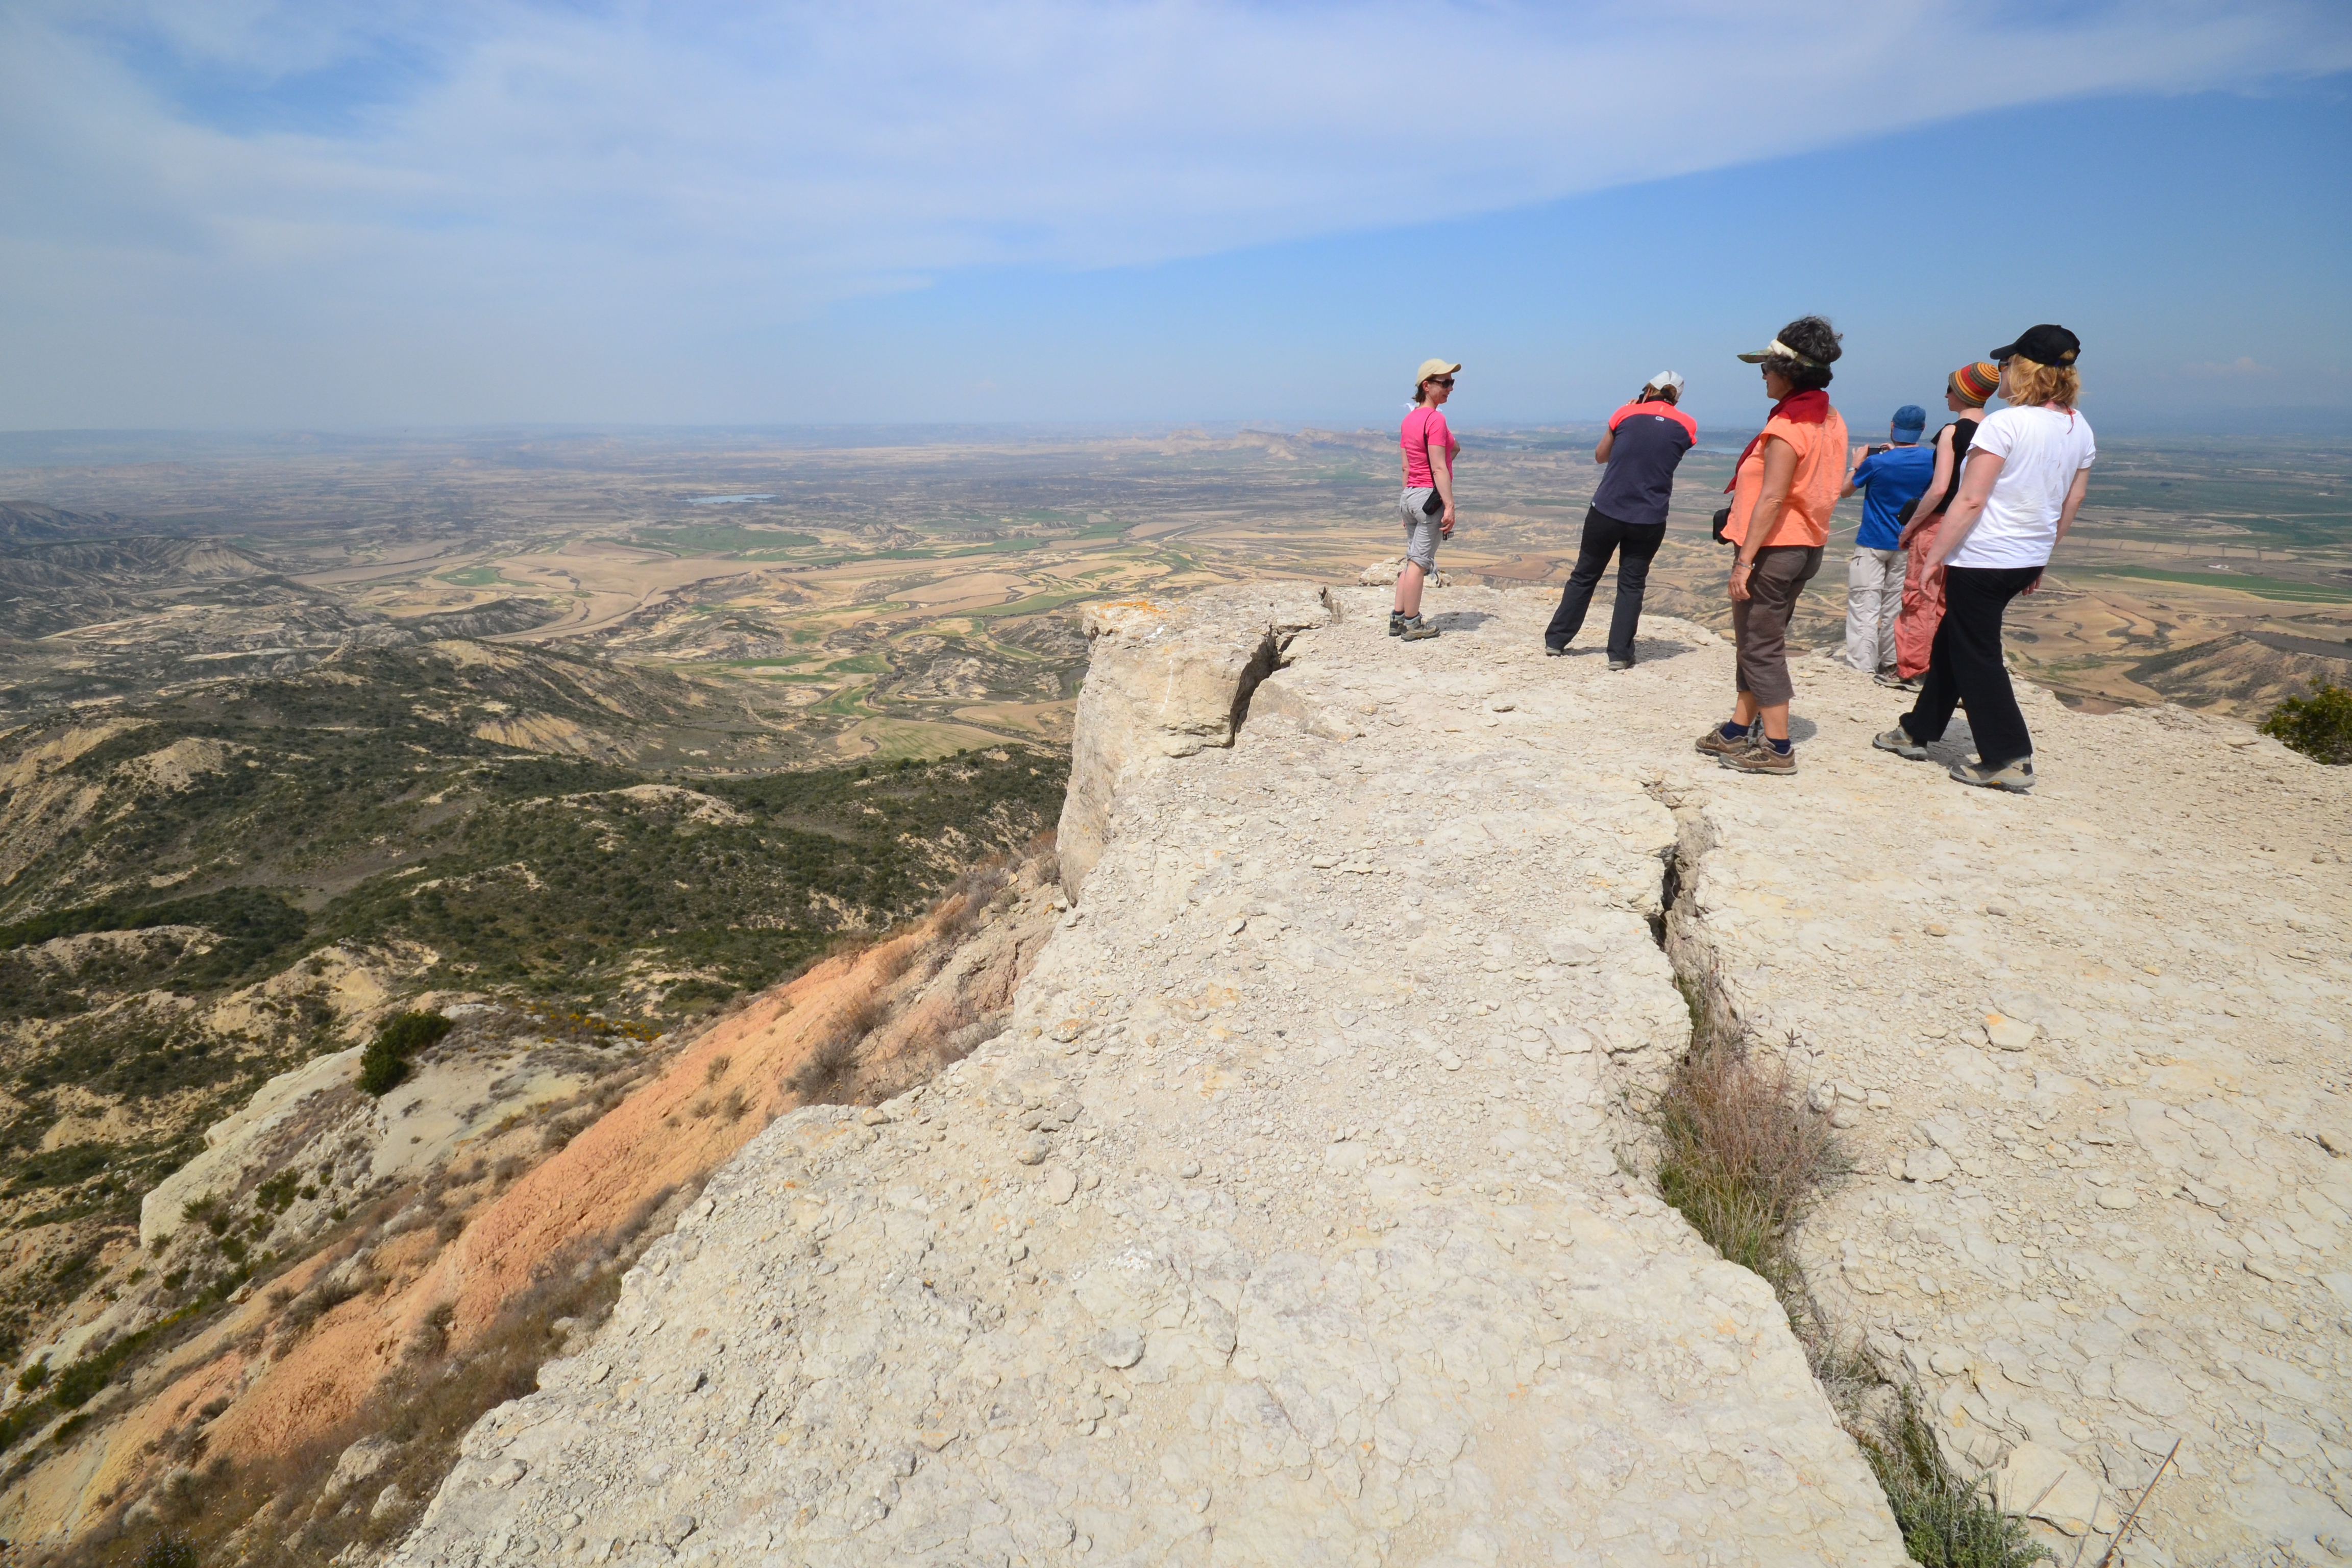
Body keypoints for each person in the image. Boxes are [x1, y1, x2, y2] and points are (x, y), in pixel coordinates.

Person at [1875, 326, 2093, 793]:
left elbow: (1970, 500)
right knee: (1955, 641)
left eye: (2009, 365)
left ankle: (2009, 756)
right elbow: (2072, 500)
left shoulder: (2004, 424)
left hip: (1984, 558)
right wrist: (2041, 556)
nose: (2004, 374)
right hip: (2024, 558)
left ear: (2026, 369)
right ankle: (1917, 732)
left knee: (1977, 654)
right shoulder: (2079, 426)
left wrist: (1935, 557)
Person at [1696, 316, 1849, 776]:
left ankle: (1778, 747)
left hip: (1774, 550)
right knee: (1754, 640)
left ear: (1789, 373)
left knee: (1761, 645)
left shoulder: (1788, 427)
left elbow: (1774, 497)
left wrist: (1744, 562)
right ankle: (1737, 729)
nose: (1762, 375)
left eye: (1766, 368)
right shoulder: (1828, 416)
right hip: (1805, 546)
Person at [1543, 372, 1695, 669]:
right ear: (1676, 397)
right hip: (1649, 518)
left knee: (1585, 575)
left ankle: (1556, 641)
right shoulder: (1688, 425)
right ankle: (1620, 654)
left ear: (1648, 390)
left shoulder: (1625, 413)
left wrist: (1627, 413)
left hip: (1607, 510)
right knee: (1632, 584)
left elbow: (1601, 456)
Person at [1887, 360, 1999, 689]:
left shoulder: (1952, 431)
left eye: (1951, 388)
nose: (1946, 395)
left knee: (1919, 596)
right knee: (1949, 602)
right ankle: (1942, 671)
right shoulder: (1997, 430)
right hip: (1974, 528)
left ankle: (1912, 670)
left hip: (1939, 524)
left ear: (1963, 392)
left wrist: (1911, 526)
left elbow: (1939, 488)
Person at [1836, 405, 1932, 676]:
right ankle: (1891, 661)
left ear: (1892, 427)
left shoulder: (1876, 462)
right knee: (1895, 607)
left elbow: (1845, 491)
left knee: (1864, 604)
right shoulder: (1933, 460)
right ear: (1923, 429)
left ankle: (1861, 666)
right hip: (1908, 544)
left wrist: (1856, 464)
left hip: (1872, 541)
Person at [1393, 359, 1460, 642]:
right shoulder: (1435, 419)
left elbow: (1407, 467)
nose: (1450, 389)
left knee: (1412, 561)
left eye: (1452, 383)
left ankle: (1398, 619)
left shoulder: (1409, 420)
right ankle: (1412, 624)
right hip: (1428, 498)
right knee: (1419, 564)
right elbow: (1440, 466)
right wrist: (1450, 505)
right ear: (1427, 386)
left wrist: (1407, 500)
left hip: (1409, 495)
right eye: (1445, 383)